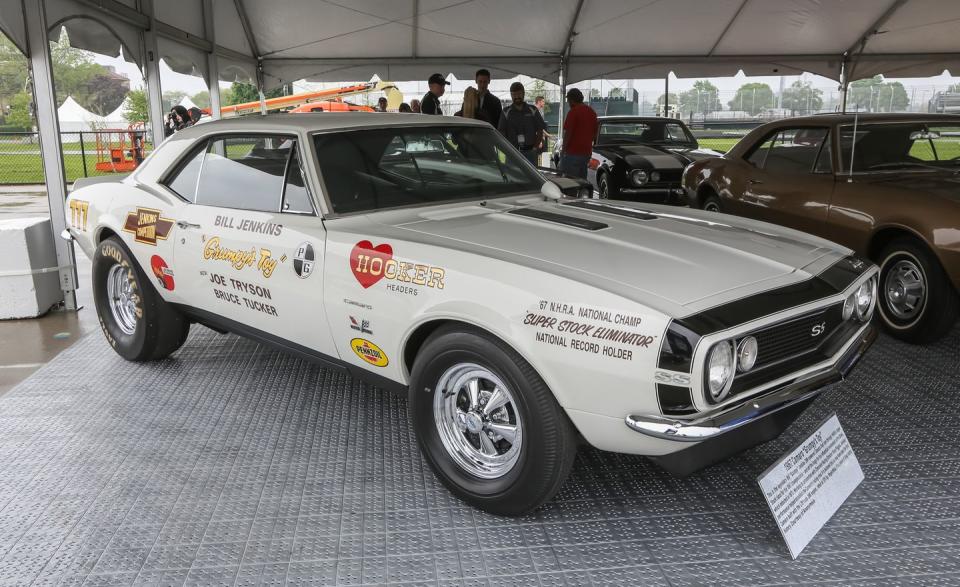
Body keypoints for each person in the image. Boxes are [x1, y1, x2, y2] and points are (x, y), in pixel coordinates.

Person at [498, 82, 546, 166]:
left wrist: (535, 147)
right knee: (513, 177)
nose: (516, 97)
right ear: (511, 95)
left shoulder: (533, 110)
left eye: (519, 94)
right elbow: (501, 133)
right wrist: (507, 149)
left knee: (531, 178)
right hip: (512, 153)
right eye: (514, 94)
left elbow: (540, 130)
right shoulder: (505, 112)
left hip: (530, 152)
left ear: (523, 93)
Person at [560, 88, 598, 179]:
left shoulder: (573, 112)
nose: (568, 103)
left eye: (568, 101)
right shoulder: (591, 112)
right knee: (582, 180)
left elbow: (568, 133)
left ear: (572, 100)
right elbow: (595, 134)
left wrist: (563, 149)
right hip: (586, 153)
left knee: (571, 182)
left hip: (573, 153)